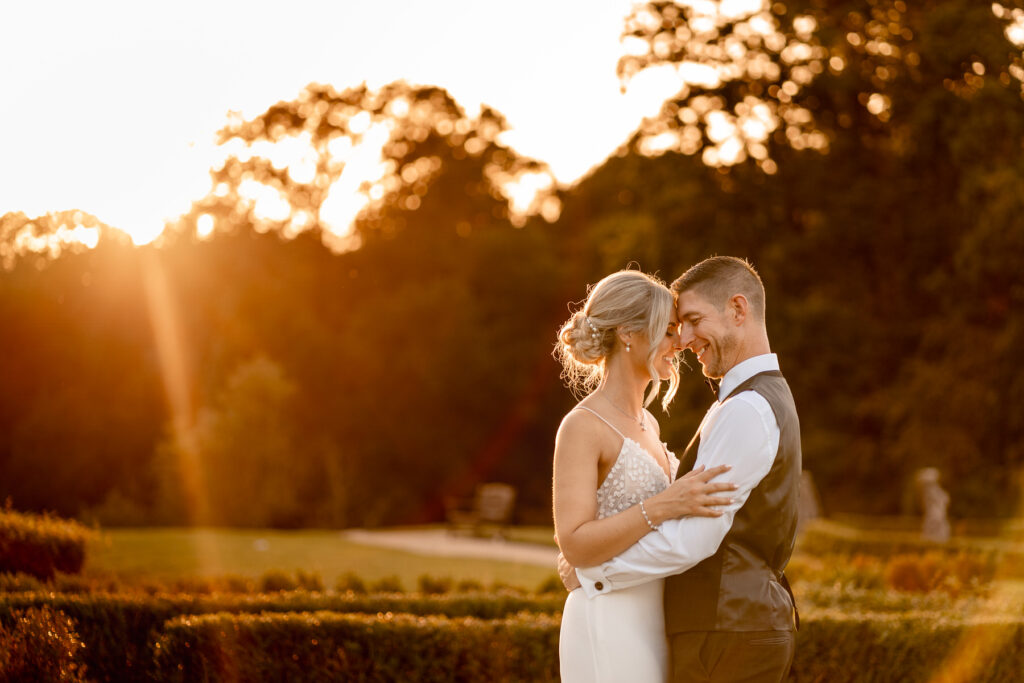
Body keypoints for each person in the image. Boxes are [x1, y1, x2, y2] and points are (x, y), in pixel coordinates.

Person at [570, 256, 802, 683]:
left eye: (693, 321)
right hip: (708, 624)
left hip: (726, 628)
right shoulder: (744, 402)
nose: (684, 339)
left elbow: (694, 538)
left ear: (738, 309)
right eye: (676, 327)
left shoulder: (747, 408)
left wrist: (595, 574)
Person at [553, 269, 737, 682]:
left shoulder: (649, 424)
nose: (680, 343)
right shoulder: (582, 426)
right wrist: (663, 505)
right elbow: (575, 543)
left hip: (654, 616)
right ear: (627, 333)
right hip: (606, 617)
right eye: (668, 331)